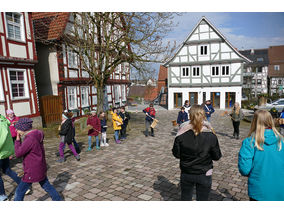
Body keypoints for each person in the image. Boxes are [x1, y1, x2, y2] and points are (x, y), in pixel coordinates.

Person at [172, 105, 222, 201]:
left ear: (190, 116)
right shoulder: (211, 136)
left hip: (187, 171)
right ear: (203, 116)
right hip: (204, 172)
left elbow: (176, 154)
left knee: (185, 198)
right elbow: (216, 156)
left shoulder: (180, 134)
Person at [238, 110, 284, 201]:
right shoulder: (281, 141)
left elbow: (244, 169)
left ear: (254, 122)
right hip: (280, 188)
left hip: (259, 190)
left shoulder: (250, 142)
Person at [14, 117, 62, 201]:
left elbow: (18, 153)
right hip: (40, 167)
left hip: (32, 170)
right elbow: (39, 152)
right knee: (47, 186)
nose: (17, 131)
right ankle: (58, 200)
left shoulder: (29, 138)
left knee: (19, 191)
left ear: (23, 129)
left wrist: (17, 140)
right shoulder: (37, 134)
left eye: (18, 129)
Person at [0, 114, 21, 201]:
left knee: (6, 171)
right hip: (4, 152)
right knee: (7, 170)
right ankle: (22, 184)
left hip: (1, 153)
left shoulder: (1, 122)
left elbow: (3, 137)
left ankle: (2, 196)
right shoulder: (3, 120)